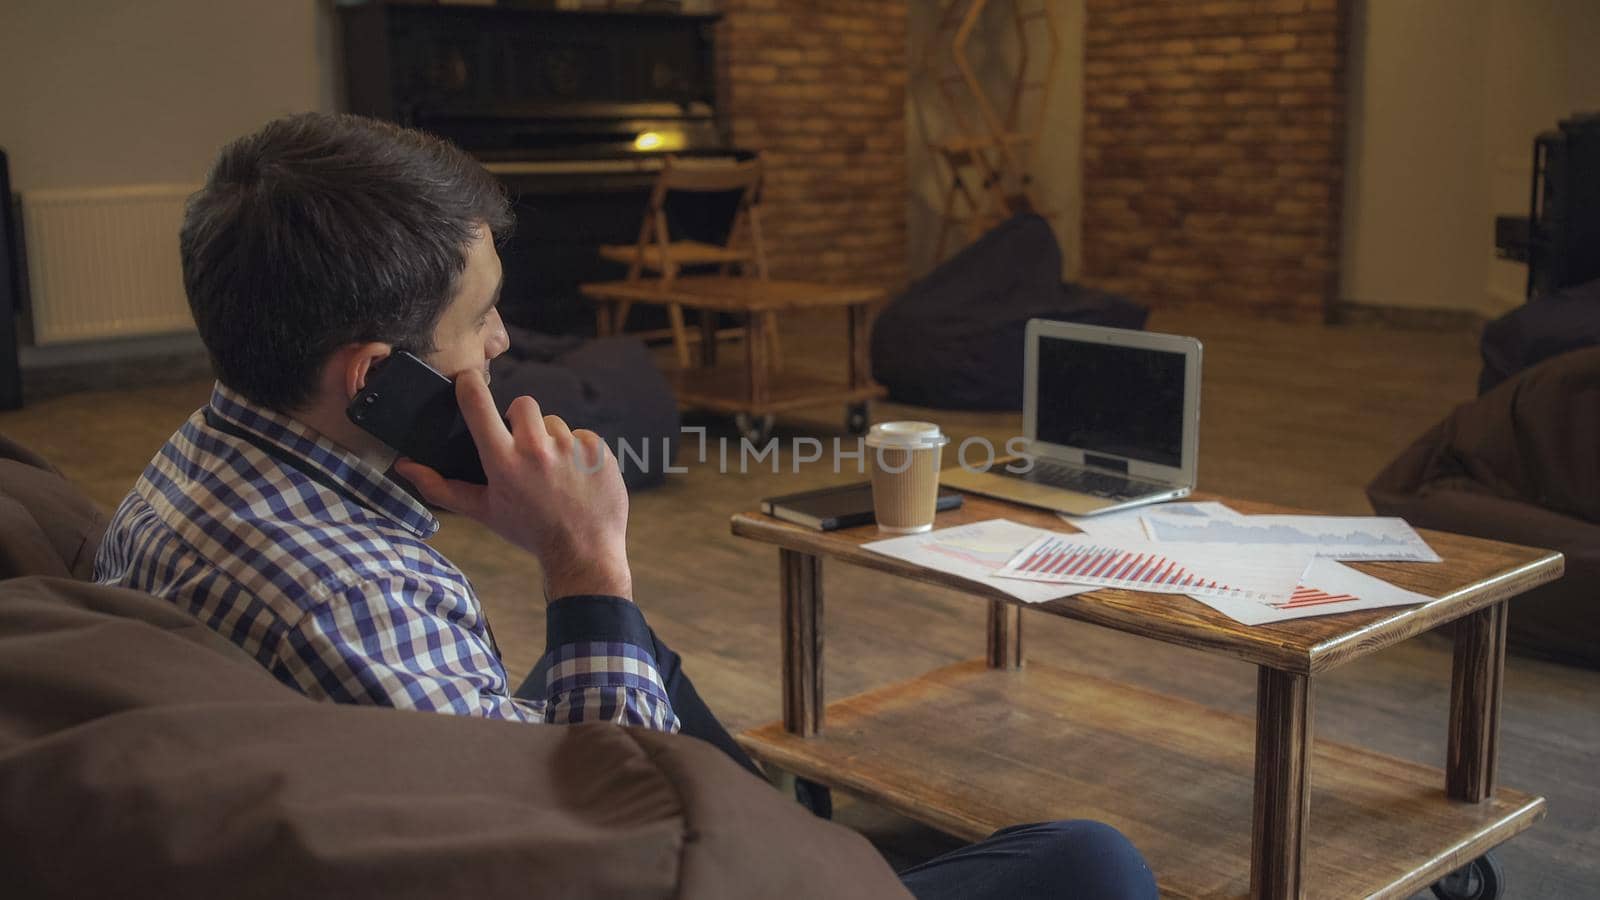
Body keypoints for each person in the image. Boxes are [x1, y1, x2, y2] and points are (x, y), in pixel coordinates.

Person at [94, 112, 1156, 900]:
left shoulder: (197, 461)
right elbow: (602, 857)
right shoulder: (348, 598)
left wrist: (597, 607)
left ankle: (816, 859)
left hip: (385, 791)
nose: (505, 342)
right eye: (481, 317)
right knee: (1090, 861)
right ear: (372, 376)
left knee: (630, 647)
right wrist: (584, 565)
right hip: (587, 862)